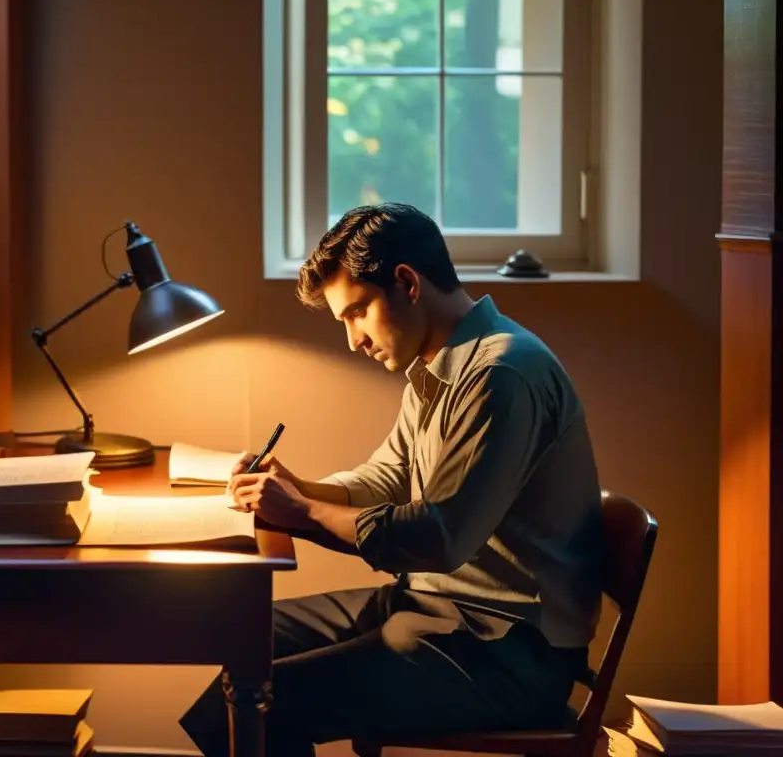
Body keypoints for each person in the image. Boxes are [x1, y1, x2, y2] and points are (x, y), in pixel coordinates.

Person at [179, 202, 605, 757]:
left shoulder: (500, 375)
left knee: (248, 704)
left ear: (405, 282)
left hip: (504, 651)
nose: (353, 339)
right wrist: (297, 488)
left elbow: (438, 537)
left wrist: (301, 514)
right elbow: (389, 475)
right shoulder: (438, 367)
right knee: (244, 637)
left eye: (357, 312)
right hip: (434, 610)